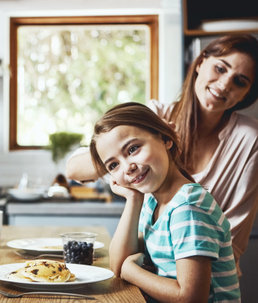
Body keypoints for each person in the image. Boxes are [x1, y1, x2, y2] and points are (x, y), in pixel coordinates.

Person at [66, 34, 258, 267]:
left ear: (246, 93)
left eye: (239, 81)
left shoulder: (249, 139)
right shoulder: (155, 117)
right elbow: (74, 169)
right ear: (200, 63)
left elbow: (234, 239)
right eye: (220, 68)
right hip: (151, 271)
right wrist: (126, 156)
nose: (225, 84)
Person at [90, 102, 240, 302]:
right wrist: (133, 199)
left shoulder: (187, 207)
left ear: (166, 138)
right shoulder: (152, 202)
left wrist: (131, 270)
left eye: (133, 149)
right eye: (114, 165)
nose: (127, 167)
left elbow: (190, 297)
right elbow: (117, 265)